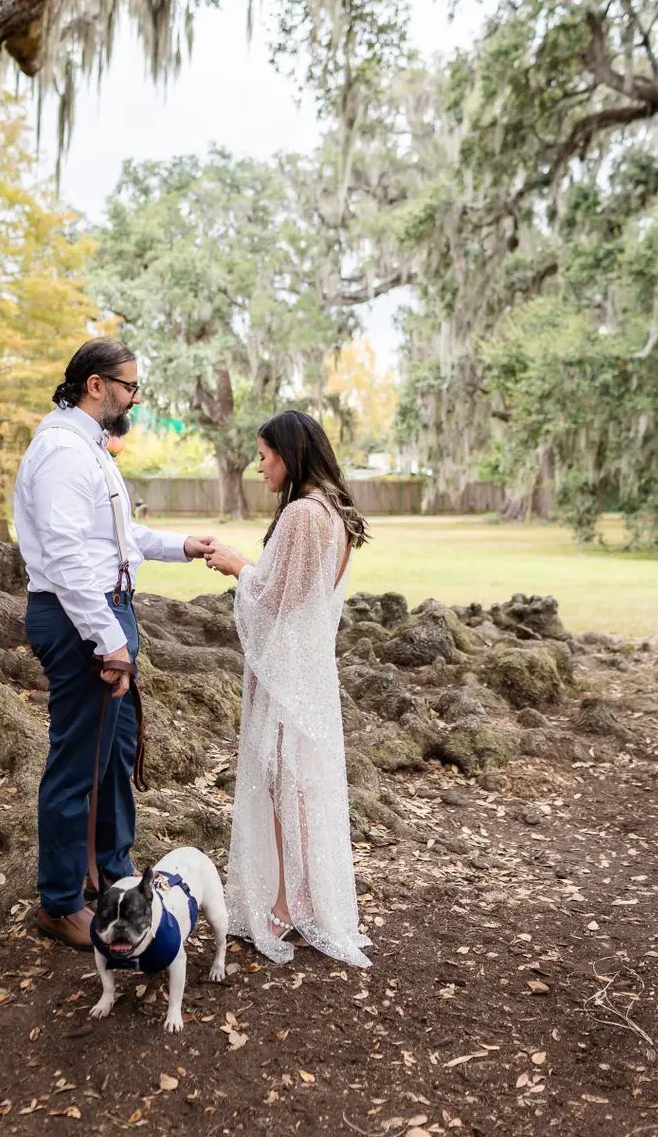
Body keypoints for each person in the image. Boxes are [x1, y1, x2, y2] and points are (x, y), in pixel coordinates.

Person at [14, 338, 213, 950]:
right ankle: (59, 902)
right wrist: (107, 639)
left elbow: (116, 540)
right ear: (96, 385)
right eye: (130, 387)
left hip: (107, 615)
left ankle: (112, 869)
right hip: (80, 622)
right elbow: (69, 559)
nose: (134, 399)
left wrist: (180, 545)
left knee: (116, 757)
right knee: (78, 765)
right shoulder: (61, 454)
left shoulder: (92, 450)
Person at [204, 410, 371, 966]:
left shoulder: (304, 513)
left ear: (291, 454)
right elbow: (296, 593)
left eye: (265, 455)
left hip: (291, 674)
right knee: (294, 782)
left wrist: (235, 566)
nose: (260, 467)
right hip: (303, 668)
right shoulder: (332, 510)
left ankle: (289, 904)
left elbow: (277, 599)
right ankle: (300, 899)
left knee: (286, 783)